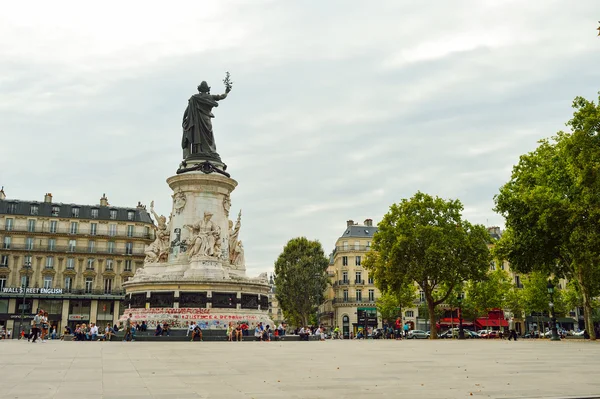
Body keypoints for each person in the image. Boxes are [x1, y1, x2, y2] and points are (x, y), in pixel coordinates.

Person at [181, 80, 231, 160]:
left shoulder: (194, 98)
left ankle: (198, 151)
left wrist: (184, 118)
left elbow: (187, 110)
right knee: (208, 136)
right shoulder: (210, 97)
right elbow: (222, 97)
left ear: (199, 89)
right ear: (207, 89)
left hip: (196, 121)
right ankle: (209, 151)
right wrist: (226, 92)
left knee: (197, 134)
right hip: (206, 120)